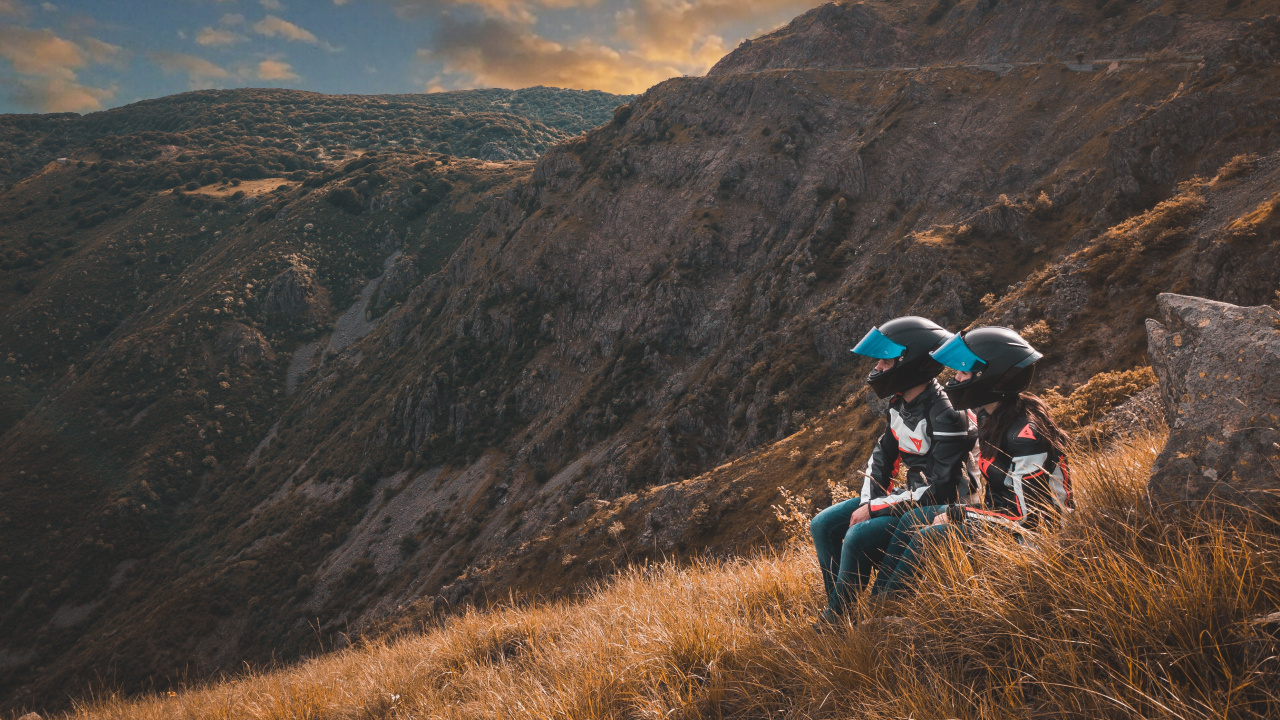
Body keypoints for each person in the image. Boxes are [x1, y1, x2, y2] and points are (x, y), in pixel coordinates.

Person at [871, 326, 1072, 596]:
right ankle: (880, 598)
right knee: (913, 519)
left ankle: (889, 604)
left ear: (992, 377)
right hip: (1002, 521)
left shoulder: (1026, 437)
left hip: (1036, 539)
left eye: (963, 372)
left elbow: (1028, 518)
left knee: (928, 535)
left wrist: (961, 513)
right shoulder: (993, 417)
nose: (954, 378)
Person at [809, 316, 975, 624]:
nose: (877, 369)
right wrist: (866, 502)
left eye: (885, 363)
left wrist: (876, 508)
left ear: (911, 362)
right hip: (910, 497)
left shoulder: (947, 414)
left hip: (941, 505)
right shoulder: (900, 403)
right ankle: (842, 610)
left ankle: (836, 620)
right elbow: (882, 458)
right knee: (822, 524)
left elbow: (944, 489)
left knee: (858, 535)